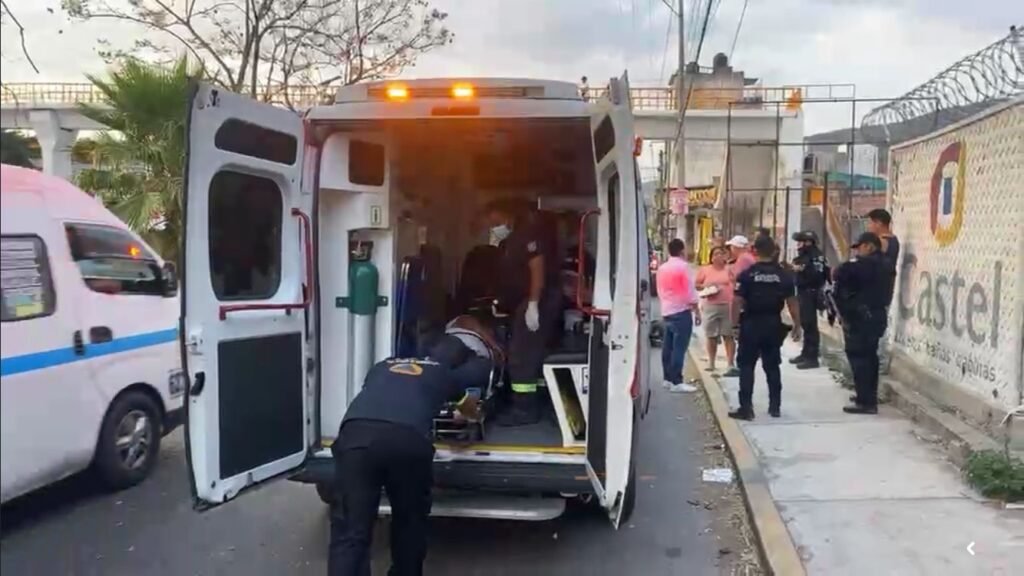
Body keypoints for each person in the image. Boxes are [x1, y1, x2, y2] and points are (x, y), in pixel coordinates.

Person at [328, 336, 487, 576]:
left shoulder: (383, 365)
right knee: (409, 521)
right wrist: (473, 415)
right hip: (407, 440)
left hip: (356, 437)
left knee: (350, 530)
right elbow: (467, 407)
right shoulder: (445, 373)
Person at [483, 199, 561, 426]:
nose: (495, 227)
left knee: (521, 356)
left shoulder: (526, 234)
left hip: (538, 302)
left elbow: (537, 268)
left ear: (507, 216)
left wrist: (533, 304)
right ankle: (537, 403)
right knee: (533, 353)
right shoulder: (512, 240)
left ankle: (524, 409)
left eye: (496, 222)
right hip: (527, 302)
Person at [728, 235, 802, 420]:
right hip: (772, 324)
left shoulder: (747, 275)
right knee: (772, 366)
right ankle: (775, 406)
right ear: (774, 251)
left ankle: (746, 408)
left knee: (746, 366)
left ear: (754, 251)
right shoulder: (783, 275)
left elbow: (736, 301)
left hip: (751, 323)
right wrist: (797, 324)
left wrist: (734, 325)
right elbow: (792, 302)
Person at [834, 232, 891, 414]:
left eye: (860, 248)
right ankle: (867, 396)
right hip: (875, 316)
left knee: (860, 358)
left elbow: (841, 272)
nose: (857, 252)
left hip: (862, 318)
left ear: (869, 246)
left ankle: (865, 402)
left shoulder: (867, 265)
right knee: (869, 358)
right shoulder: (885, 263)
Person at [656, 238, 702, 392]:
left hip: (667, 310)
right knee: (679, 348)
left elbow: (660, 290)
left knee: (667, 347)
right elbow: (689, 292)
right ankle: (677, 381)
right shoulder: (683, 267)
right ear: (682, 251)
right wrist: (696, 310)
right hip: (681, 311)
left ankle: (667, 378)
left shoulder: (662, 268)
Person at [865, 208, 900, 373]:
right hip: (884, 290)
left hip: (877, 291)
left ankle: (878, 363)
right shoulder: (893, 240)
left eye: (870, 223)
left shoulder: (882, 242)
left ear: (878, 223)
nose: (869, 226)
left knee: (875, 329)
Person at [789, 230, 828, 369]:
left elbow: (818, 275)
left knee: (810, 325)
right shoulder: (805, 256)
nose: (798, 245)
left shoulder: (815, 256)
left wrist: (801, 269)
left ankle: (812, 358)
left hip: (811, 293)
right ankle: (805, 353)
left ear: (808, 242)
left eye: (800, 242)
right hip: (803, 293)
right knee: (806, 323)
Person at [695, 246, 737, 375]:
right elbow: (697, 285)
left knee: (728, 335)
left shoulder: (729, 270)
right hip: (710, 305)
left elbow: (736, 284)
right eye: (716, 254)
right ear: (711, 257)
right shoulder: (705, 270)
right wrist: (706, 286)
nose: (719, 256)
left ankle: (730, 363)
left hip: (727, 305)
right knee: (711, 335)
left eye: (721, 254)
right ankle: (711, 362)